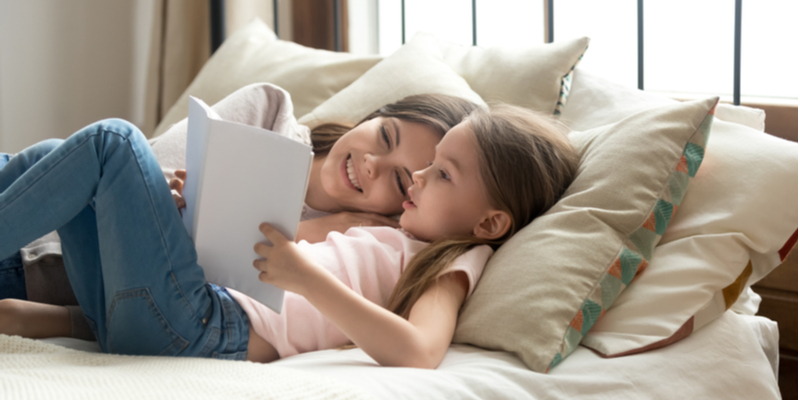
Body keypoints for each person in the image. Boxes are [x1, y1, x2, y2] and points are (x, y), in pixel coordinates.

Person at [0, 103, 577, 368]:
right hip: (179, 312)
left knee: (116, 144)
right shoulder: (390, 235)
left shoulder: (452, 262)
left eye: (440, 174)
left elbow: (420, 351)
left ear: (491, 223)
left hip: (202, 326)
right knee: (62, 156)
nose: (418, 180)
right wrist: (50, 319)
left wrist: (305, 277)